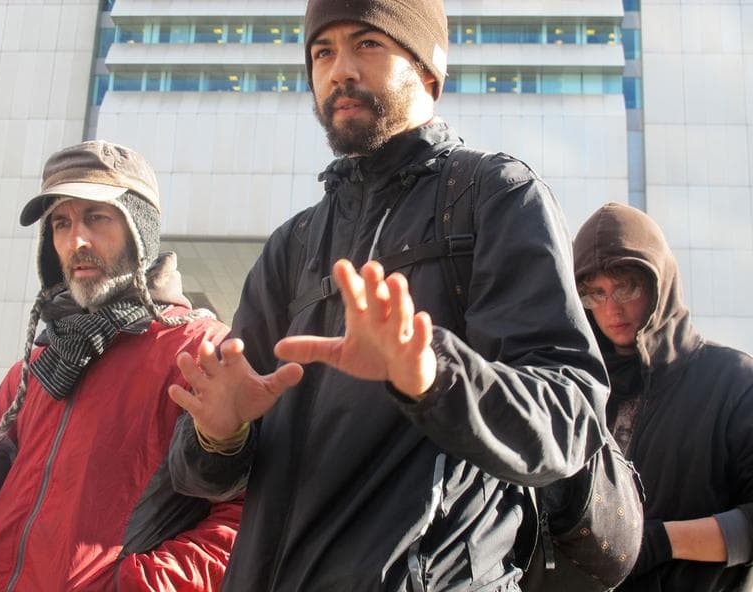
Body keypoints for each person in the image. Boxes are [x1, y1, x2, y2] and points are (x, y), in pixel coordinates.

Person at [167, 1, 610, 590]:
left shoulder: (496, 196)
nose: (340, 70)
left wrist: (433, 374)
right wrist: (219, 434)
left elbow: (569, 416)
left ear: (429, 71)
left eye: (367, 44)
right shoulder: (291, 245)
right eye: (322, 52)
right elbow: (202, 476)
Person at [0, 141, 241, 591]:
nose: (76, 240)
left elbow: (244, 518)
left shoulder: (200, 352)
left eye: (96, 217)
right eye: (61, 223)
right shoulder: (37, 365)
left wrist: (130, 586)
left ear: (139, 229)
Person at [573, 202, 753, 592]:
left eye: (627, 286)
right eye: (595, 293)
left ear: (660, 283)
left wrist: (661, 542)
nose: (611, 308)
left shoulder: (734, 381)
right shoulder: (579, 391)